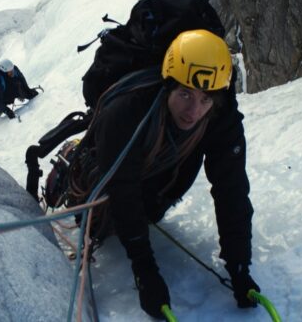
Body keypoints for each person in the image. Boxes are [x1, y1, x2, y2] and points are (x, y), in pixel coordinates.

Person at [88, 29, 259, 318]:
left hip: (160, 185)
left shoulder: (220, 116)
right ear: (167, 84)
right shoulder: (128, 110)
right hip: (111, 172)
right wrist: (144, 269)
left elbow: (232, 190)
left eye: (205, 100)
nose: (193, 111)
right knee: (95, 221)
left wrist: (239, 265)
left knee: (150, 210)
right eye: (185, 94)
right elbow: (122, 190)